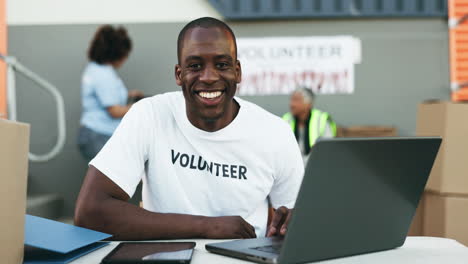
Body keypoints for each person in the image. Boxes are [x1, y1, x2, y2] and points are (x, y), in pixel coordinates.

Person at [74, 17, 303, 240]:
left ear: (238, 71)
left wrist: (285, 228)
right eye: (195, 66)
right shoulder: (149, 115)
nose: (209, 77)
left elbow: (295, 223)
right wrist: (207, 226)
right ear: (179, 74)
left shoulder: (276, 133)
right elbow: (90, 213)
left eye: (222, 65)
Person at [77, 25, 144, 161]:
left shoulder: (94, 68)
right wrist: (141, 107)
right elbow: (114, 111)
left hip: (92, 133)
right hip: (98, 134)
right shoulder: (104, 75)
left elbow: (104, 97)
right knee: (113, 179)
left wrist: (128, 95)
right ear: (117, 53)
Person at [282, 88, 337, 162]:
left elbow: (328, 148)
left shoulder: (321, 119)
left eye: (296, 100)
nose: (292, 104)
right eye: (291, 100)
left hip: (316, 163)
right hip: (292, 164)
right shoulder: (286, 119)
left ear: (308, 104)